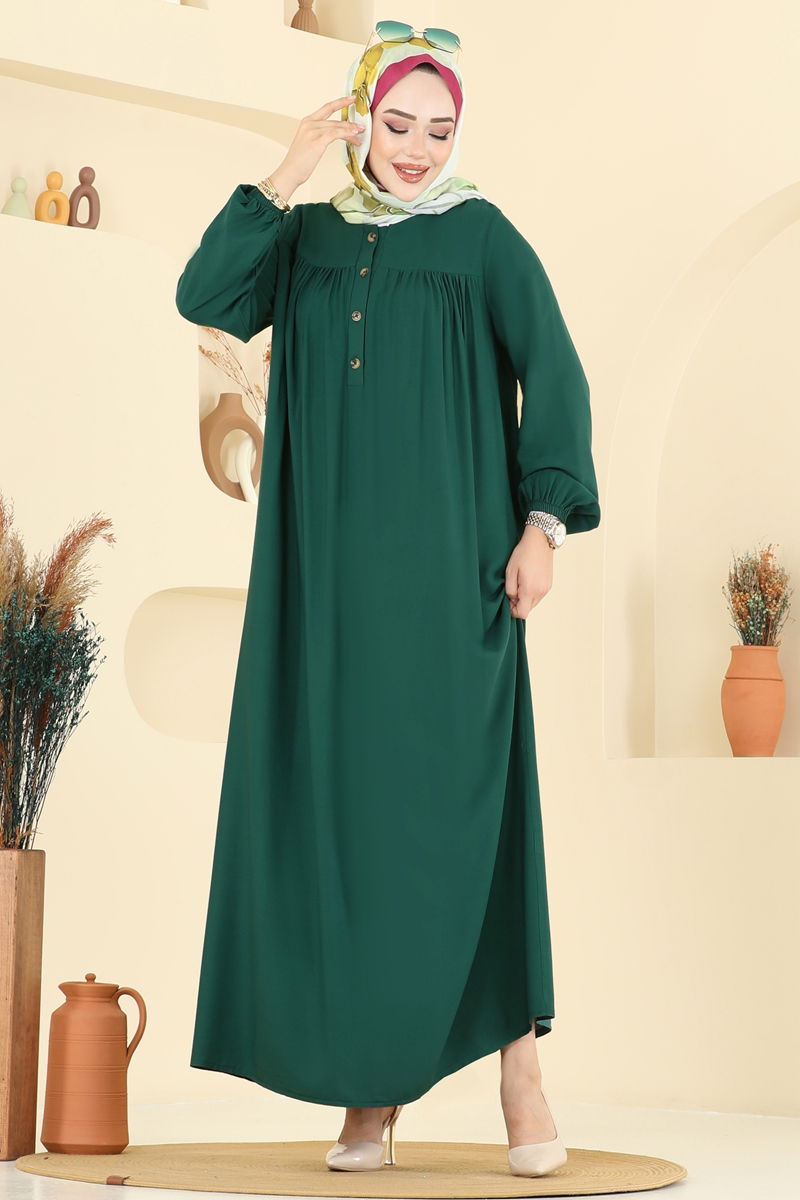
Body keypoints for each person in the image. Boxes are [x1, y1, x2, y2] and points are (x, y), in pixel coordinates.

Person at [175, 20, 601, 1181]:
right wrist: (284, 172)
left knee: (463, 819)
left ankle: (518, 1070)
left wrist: (542, 524)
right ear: (361, 116)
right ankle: (371, 1090)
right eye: (398, 123)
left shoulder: (481, 237)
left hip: (453, 579)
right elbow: (204, 295)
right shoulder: (305, 236)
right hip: (322, 587)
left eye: (438, 130)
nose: (416, 149)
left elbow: (554, 372)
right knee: (344, 827)